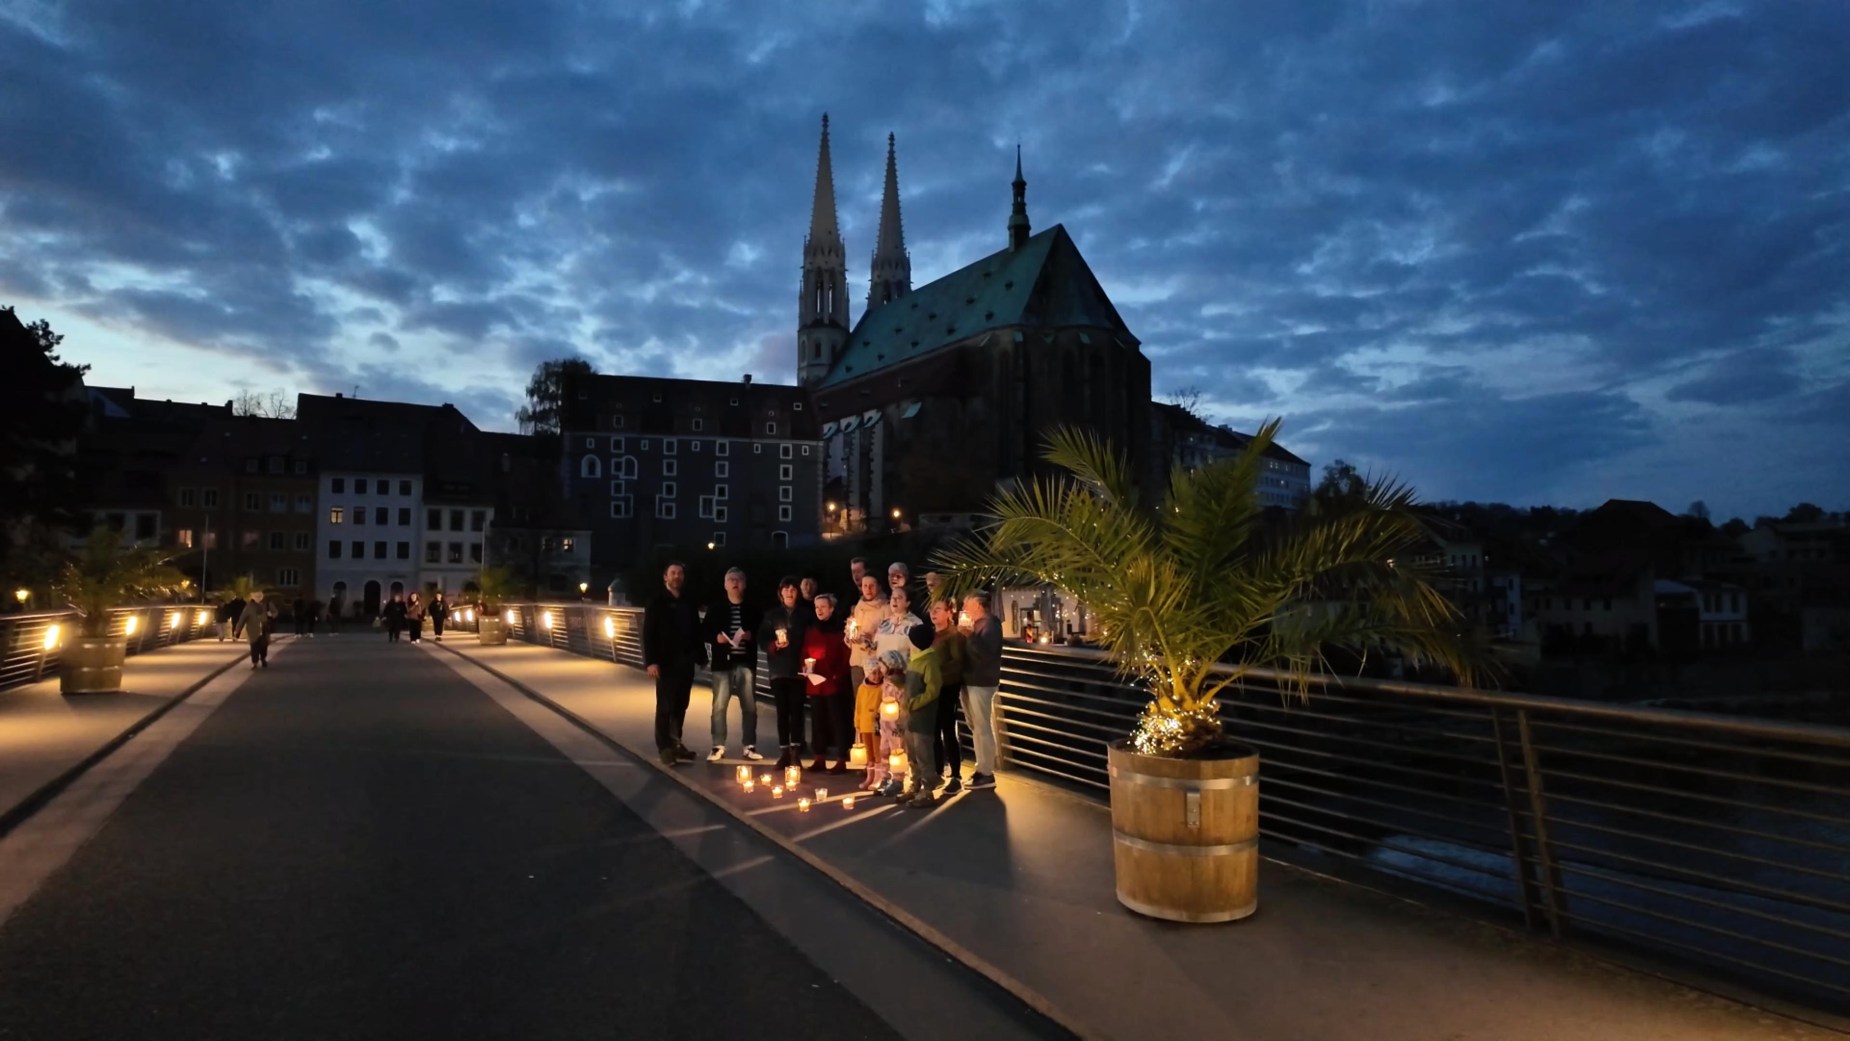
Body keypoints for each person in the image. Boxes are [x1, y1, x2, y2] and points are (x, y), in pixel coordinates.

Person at [642, 561, 704, 767]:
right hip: (666, 663)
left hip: (686, 661)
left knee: (681, 705)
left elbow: (696, 630)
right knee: (665, 706)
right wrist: (651, 662)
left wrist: (701, 655)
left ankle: (676, 742)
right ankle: (664, 747)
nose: (677, 576)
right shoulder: (657, 601)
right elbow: (648, 634)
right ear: (665, 577)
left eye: (680, 573)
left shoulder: (688, 601)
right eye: (673, 573)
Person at [703, 567, 763, 762]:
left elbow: (763, 633)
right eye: (731, 580)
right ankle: (717, 745)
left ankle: (749, 745)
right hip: (723, 663)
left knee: (749, 706)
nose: (735, 583)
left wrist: (751, 636)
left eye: (738, 579)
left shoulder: (753, 608)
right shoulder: (716, 608)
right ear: (725, 584)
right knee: (719, 706)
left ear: (744, 584)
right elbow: (704, 632)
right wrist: (716, 638)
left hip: (746, 662)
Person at [799, 593, 851, 773]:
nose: (819, 610)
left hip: (834, 681)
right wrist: (805, 667)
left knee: (838, 720)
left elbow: (846, 654)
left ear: (831, 608)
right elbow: (805, 652)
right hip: (815, 681)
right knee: (817, 720)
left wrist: (839, 674)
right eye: (816, 607)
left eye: (823, 606)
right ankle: (819, 757)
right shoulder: (812, 629)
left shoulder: (839, 630)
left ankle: (841, 758)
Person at [760, 576, 807, 767]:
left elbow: (812, 639)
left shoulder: (805, 615)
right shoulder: (772, 615)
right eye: (785, 589)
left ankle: (796, 752)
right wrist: (774, 645)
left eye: (793, 589)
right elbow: (762, 639)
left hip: (798, 670)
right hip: (778, 670)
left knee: (797, 711)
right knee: (782, 713)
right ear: (780, 593)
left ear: (798, 593)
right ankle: (784, 752)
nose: (789, 592)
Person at [898, 623, 943, 807]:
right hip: (910, 717)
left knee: (924, 754)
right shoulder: (915, 660)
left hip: (922, 716)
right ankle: (915, 785)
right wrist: (896, 679)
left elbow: (933, 689)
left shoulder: (929, 661)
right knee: (912, 753)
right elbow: (909, 686)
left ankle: (927, 790)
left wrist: (913, 703)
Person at [962, 592, 1003, 789]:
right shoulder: (978, 624)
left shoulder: (990, 624)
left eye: (967, 603)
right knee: (976, 726)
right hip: (970, 680)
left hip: (981, 682)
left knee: (982, 726)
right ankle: (981, 769)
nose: (964, 606)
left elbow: (986, 653)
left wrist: (969, 636)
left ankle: (987, 772)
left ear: (978, 605)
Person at [929, 598, 968, 793]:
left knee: (947, 728)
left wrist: (936, 672)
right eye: (931, 610)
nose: (933, 613)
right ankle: (937, 772)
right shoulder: (931, 634)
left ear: (948, 613)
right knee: (934, 730)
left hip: (948, 687)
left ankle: (956, 775)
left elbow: (957, 662)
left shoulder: (953, 635)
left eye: (938, 610)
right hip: (932, 687)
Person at [854, 658, 889, 791]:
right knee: (869, 754)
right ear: (867, 674)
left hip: (876, 727)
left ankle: (879, 778)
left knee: (877, 752)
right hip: (864, 725)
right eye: (873, 673)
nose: (876, 676)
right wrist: (857, 722)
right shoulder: (862, 688)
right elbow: (859, 707)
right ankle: (870, 777)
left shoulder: (882, 688)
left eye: (879, 673)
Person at [873, 585, 923, 665]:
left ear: (907, 603)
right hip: (882, 671)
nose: (894, 600)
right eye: (892, 597)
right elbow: (875, 646)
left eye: (899, 598)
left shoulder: (915, 623)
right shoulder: (885, 623)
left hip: (903, 672)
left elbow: (919, 652)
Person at [239, 590, 276, 669]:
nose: (258, 598)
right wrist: (237, 630)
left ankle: (263, 658)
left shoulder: (267, 604)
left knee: (264, 645)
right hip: (253, 630)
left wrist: (272, 614)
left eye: (259, 596)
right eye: (256, 597)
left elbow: (275, 612)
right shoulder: (249, 606)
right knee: (254, 646)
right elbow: (242, 618)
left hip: (264, 629)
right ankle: (254, 662)